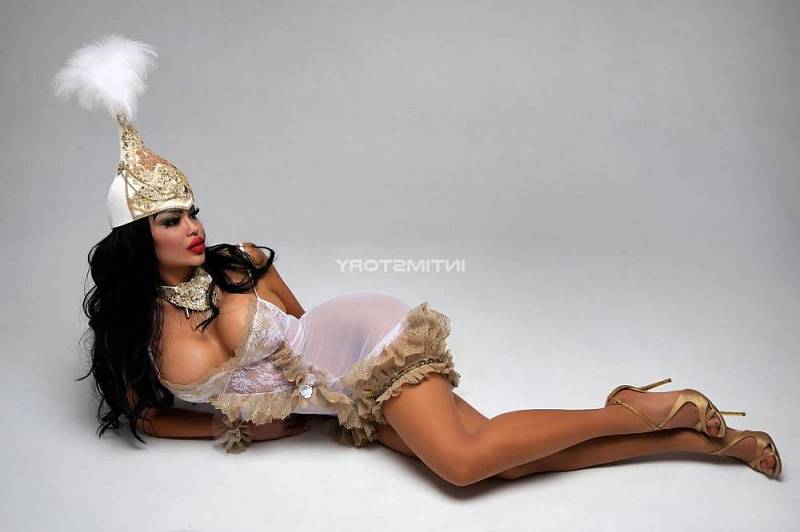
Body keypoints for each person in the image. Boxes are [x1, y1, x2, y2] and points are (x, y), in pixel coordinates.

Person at [54, 34, 782, 486]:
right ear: (135, 239)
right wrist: (236, 425)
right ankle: (703, 445)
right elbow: (149, 415)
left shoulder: (237, 263)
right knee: (505, 461)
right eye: (172, 220)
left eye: (192, 212)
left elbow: (303, 329)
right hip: (336, 400)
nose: (194, 228)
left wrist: (309, 384)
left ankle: (627, 410)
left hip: (358, 342)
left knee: (463, 464)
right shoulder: (135, 328)